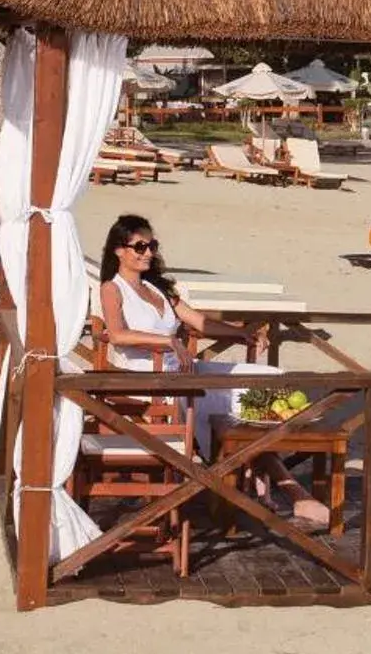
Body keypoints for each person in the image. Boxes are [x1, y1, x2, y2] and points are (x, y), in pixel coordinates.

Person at [95, 215, 330, 528]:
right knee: (220, 403)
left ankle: (259, 472)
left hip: (182, 371)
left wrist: (240, 333)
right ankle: (283, 487)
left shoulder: (157, 288)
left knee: (269, 378)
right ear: (118, 250)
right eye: (140, 246)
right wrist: (166, 340)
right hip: (148, 380)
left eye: (152, 245)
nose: (148, 252)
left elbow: (198, 321)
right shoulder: (113, 289)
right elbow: (117, 333)